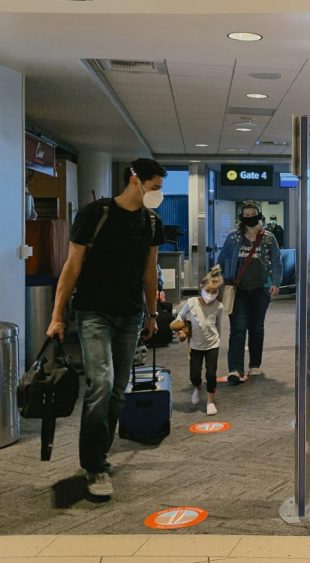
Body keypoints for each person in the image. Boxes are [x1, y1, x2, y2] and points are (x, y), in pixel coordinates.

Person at [46, 158, 167, 497]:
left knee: (117, 391)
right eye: (154, 187)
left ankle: (99, 450)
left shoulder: (151, 222)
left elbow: (149, 270)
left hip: (130, 315)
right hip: (93, 311)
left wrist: (153, 314)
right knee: (101, 381)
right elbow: (72, 266)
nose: (157, 194)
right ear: (135, 181)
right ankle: (95, 465)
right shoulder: (95, 215)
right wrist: (57, 314)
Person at [218, 200, 283, 385]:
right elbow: (221, 260)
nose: (249, 218)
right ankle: (235, 370)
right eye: (245, 216)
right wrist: (218, 283)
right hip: (238, 291)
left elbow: (277, 261)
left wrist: (276, 283)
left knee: (256, 328)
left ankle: (255, 363)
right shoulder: (233, 238)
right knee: (237, 329)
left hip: (261, 290)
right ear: (241, 218)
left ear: (259, 215)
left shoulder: (269, 238)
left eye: (252, 215)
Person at [171, 266, 224, 416]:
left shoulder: (218, 307)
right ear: (202, 287)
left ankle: (210, 401)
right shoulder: (191, 302)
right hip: (195, 345)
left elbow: (219, 326)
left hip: (213, 344)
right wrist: (180, 328)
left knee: (211, 374)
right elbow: (180, 317)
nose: (210, 294)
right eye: (208, 291)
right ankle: (198, 387)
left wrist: (218, 340)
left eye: (214, 292)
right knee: (194, 375)